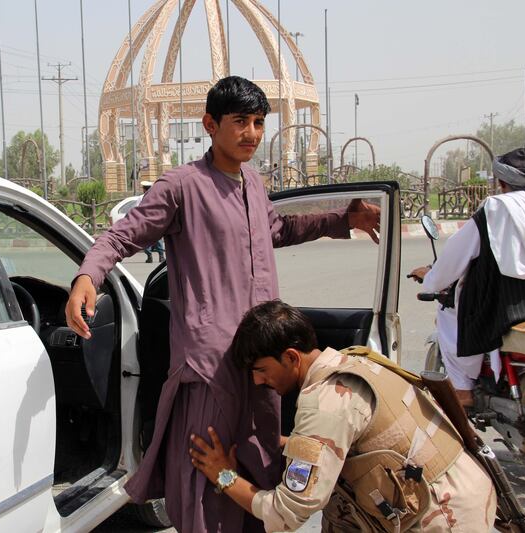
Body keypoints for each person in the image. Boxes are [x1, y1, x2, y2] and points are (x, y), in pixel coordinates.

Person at [66, 76, 380, 532]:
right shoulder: (181, 186)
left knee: (259, 456)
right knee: (203, 474)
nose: (251, 133)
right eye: (240, 122)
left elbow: (280, 231)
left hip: (262, 360)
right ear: (210, 124)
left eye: (258, 123)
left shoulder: (253, 184)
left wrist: (342, 219)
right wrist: (87, 277)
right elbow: (121, 235)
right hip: (210, 364)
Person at [189, 299, 497, 532]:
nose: (258, 381)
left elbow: (286, 513)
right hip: (463, 487)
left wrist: (224, 475)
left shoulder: (326, 402)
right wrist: (290, 442)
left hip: (444, 517)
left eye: (261, 370)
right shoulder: (355, 359)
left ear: (291, 357)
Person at [410, 148, 525, 407]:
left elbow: (453, 260)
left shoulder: (494, 210)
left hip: (504, 312)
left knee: (449, 312)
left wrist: (431, 279)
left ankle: (462, 389)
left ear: (502, 182)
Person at [139, 180, 165, 263]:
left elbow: (137, 209)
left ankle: (149, 257)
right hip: (157, 221)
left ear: (144, 189)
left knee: (147, 239)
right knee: (158, 239)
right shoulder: (158, 196)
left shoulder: (141, 198)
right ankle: (161, 256)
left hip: (146, 221)